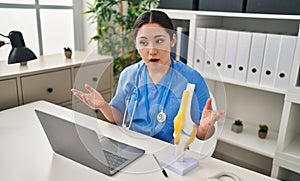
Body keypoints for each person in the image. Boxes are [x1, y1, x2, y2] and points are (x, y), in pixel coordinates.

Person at [71, 10, 225, 144]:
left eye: (159, 41)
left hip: (171, 154)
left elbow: (202, 136)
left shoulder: (193, 79)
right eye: (143, 42)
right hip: (132, 146)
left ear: (172, 40)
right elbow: (116, 117)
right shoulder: (129, 75)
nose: (152, 50)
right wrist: (103, 106)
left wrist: (205, 127)